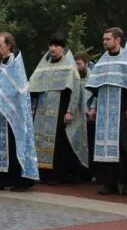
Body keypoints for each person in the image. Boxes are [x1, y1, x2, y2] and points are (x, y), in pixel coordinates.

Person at [85, 27, 127, 195]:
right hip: (105, 110)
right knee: (106, 146)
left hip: (122, 109)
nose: (104, 42)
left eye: (108, 39)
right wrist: (93, 107)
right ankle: (110, 183)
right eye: (104, 39)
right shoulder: (103, 61)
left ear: (117, 40)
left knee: (124, 146)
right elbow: (97, 86)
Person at [0, 32, 39, 191]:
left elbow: (16, 89)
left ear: (9, 46)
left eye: (0, 44)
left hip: (14, 114)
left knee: (13, 145)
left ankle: (20, 181)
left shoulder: (15, 63)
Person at [27, 34, 89, 184]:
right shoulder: (44, 66)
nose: (52, 49)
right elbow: (32, 87)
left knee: (59, 143)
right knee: (38, 140)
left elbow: (76, 92)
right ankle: (40, 172)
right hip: (42, 110)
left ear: (62, 48)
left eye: (56, 46)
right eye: (51, 45)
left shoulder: (69, 67)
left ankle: (56, 175)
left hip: (60, 110)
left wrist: (70, 112)